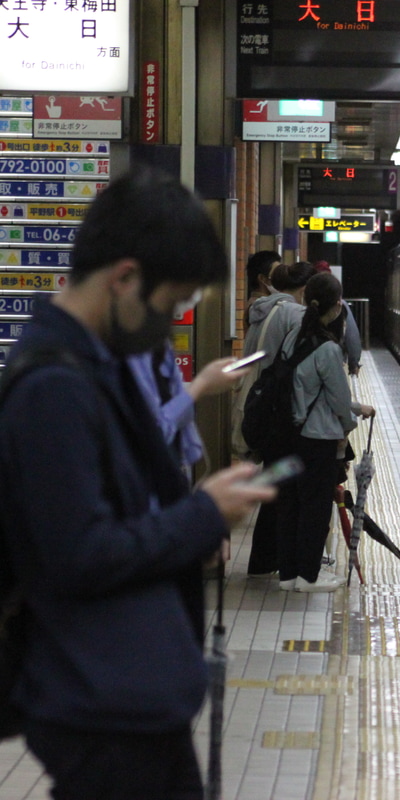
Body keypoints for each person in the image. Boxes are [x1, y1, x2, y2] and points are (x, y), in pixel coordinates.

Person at [0, 167, 275, 799]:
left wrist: (193, 525)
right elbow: (78, 555)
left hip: (127, 691)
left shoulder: (98, 367)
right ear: (123, 279)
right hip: (96, 701)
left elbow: (131, 507)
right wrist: (200, 516)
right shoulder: (53, 390)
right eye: (170, 302)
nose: (172, 321)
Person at [275, 272, 375, 592]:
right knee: (315, 507)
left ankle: (288, 574)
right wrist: (350, 424)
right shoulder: (329, 349)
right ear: (334, 309)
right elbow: (338, 400)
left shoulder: (292, 338)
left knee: (290, 503)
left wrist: (354, 409)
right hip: (318, 440)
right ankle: (308, 576)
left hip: (289, 433)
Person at [234, 260, 316, 576]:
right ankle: (277, 560)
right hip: (280, 413)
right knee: (285, 489)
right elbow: (297, 368)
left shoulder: (260, 310)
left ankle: (263, 560)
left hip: (260, 405)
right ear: (306, 289)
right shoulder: (293, 314)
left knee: (273, 481)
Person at [129, 337, 247, 479]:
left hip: (172, 464)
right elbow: (154, 431)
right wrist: (201, 385)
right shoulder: (130, 357)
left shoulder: (162, 346)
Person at [313, 260, 362, 375]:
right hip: (335, 362)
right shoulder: (340, 305)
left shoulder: (305, 303)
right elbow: (352, 336)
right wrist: (354, 363)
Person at [242, 249, 281, 331]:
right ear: (262, 278)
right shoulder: (260, 306)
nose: (280, 278)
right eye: (276, 274)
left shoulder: (264, 302)